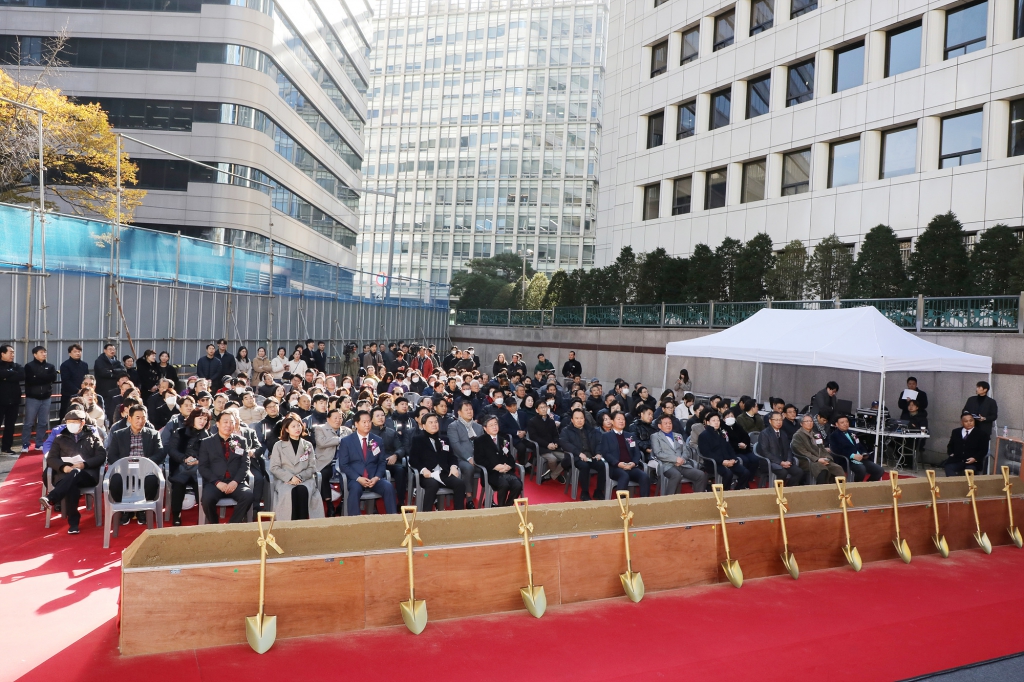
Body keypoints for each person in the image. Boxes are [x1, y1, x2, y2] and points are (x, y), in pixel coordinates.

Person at [39, 410, 106, 533]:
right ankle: (73, 525)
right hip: (64, 475)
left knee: (76, 473)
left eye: (74, 422)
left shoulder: (92, 436)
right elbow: (51, 458)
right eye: (69, 422)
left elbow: (101, 456)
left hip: (87, 475)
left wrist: (83, 464)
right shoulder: (60, 438)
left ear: (82, 423)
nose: (71, 425)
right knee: (72, 484)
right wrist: (63, 467)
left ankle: (51, 497)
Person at [106, 405, 166, 524]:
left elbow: (160, 453)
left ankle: (143, 510)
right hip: (124, 470)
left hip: (145, 469)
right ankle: (124, 509)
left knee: (152, 480)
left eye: (143, 418)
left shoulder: (153, 434)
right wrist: (124, 465)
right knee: (115, 481)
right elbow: (112, 455)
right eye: (137, 418)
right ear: (129, 418)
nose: (141, 421)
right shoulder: (118, 435)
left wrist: (145, 462)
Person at [336, 411, 397, 515]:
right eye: (364, 422)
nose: (367, 424)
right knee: (355, 489)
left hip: (373, 478)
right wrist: (358, 478)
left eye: (369, 421)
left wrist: (377, 477)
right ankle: (355, 522)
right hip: (355, 478)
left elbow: (381, 462)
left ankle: (393, 519)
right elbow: (344, 465)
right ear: (356, 423)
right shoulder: (347, 441)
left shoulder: (376, 440)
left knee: (388, 486)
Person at [197, 411, 254, 523]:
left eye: (231, 422)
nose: (228, 425)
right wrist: (217, 482)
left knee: (248, 496)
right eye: (225, 422)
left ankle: (231, 526)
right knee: (207, 500)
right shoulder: (207, 442)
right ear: (217, 424)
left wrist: (235, 482)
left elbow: (245, 464)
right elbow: (203, 467)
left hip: (235, 482)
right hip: (215, 482)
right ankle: (215, 526)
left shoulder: (240, 441)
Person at [269, 413, 325, 520]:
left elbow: (312, 467)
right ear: (286, 429)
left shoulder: (307, 445)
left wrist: (299, 477)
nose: (297, 428)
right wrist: (290, 478)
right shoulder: (278, 445)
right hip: (285, 480)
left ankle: (302, 525)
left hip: (304, 479)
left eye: (298, 425)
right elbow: (274, 467)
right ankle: (290, 526)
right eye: (293, 426)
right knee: (291, 492)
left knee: (303, 490)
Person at [408, 412, 465, 511]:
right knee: (432, 485)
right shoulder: (418, 440)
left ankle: (458, 514)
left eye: (436, 422)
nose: (434, 424)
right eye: (431, 422)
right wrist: (423, 470)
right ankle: (427, 514)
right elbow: (413, 459)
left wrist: (453, 466)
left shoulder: (444, 439)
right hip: (428, 474)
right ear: (424, 426)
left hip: (443, 473)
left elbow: (452, 456)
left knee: (460, 484)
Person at [166, 408, 211, 525]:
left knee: (200, 483)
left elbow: (211, 455)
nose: (202, 421)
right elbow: (171, 450)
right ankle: (176, 515)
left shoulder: (207, 435)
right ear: (193, 418)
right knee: (179, 484)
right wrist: (184, 459)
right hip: (181, 466)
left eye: (205, 419)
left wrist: (199, 461)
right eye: (200, 418)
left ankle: (202, 515)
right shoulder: (180, 432)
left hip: (199, 468)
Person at [651, 413, 708, 493]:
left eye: (670, 423)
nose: (668, 425)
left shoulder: (678, 436)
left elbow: (686, 450)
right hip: (667, 465)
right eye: (666, 423)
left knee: (701, 475)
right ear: (660, 426)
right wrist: (675, 459)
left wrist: (682, 460)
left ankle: (696, 499)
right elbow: (658, 453)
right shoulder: (655, 436)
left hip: (682, 464)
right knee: (676, 475)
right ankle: (669, 500)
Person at [474, 415, 523, 506]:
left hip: (506, 472)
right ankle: (500, 508)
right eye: (491, 425)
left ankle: (506, 507)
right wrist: (495, 467)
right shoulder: (480, 441)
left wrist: (508, 466)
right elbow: (479, 459)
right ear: (485, 428)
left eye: (496, 424)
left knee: (517, 485)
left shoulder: (503, 440)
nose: (494, 427)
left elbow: (510, 457)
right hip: (491, 473)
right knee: (504, 484)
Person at [599, 412, 651, 497]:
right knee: (624, 476)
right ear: (612, 421)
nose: (621, 421)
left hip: (631, 466)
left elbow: (637, 452)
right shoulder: (606, 436)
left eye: (623, 419)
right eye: (618, 419)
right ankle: (621, 504)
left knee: (644, 476)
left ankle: (644, 504)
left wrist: (633, 463)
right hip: (615, 467)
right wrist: (618, 464)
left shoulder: (630, 436)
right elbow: (606, 453)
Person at [697, 412, 752, 490]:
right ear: (707, 422)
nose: (716, 422)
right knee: (728, 474)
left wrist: (733, 458)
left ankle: (737, 490)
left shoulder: (721, 433)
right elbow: (707, 453)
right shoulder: (703, 435)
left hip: (728, 461)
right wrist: (722, 461)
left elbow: (729, 448)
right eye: (713, 420)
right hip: (714, 463)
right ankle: (724, 493)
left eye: (718, 420)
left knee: (745, 472)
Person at [447, 400, 483, 504]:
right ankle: (469, 497)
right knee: (468, 467)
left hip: (476, 457)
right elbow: (456, 445)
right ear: (459, 412)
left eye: (470, 409)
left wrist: (478, 458)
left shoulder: (478, 427)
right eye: (466, 410)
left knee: (491, 466)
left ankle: (490, 497)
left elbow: (481, 444)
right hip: (460, 458)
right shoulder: (453, 426)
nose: (469, 412)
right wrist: (469, 458)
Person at [791, 414, 845, 484]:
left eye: (811, 421)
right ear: (801, 424)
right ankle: (821, 491)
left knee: (837, 468)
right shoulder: (797, 436)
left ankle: (838, 491)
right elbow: (802, 451)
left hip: (821, 459)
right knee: (822, 469)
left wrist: (827, 458)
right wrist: (817, 459)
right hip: (807, 461)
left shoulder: (815, 434)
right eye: (807, 421)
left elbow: (822, 448)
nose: (809, 423)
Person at [370, 406, 407, 507]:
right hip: (374, 463)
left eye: (382, 415)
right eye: (377, 416)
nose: (381, 417)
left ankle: (401, 501)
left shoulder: (391, 432)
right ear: (371, 418)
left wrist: (395, 455)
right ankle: (374, 506)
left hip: (390, 461)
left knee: (400, 470)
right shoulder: (368, 433)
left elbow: (401, 448)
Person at [23, 346, 58, 452]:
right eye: (41, 352)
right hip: (32, 398)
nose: (44, 354)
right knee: (29, 422)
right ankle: (25, 443)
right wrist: (44, 377)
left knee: (43, 422)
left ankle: (39, 443)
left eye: (45, 352)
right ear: (35, 354)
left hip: (46, 397)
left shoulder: (50, 366)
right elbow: (30, 380)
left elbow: (52, 378)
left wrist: (38, 377)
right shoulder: (29, 366)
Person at [829, 415, 883, 482]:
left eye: (847, 422)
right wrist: (852, 456)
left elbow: (860, 445)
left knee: (879, 470)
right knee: (861, 469)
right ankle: (856, 487)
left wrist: (864, 453)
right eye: (842, 422)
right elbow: (837, 450)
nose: (845, 424)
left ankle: (867, 485)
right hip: (847, 460)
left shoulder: (852, 433)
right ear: (836, 424)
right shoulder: (834, 435)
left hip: (860, 458)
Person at [758, 412, 804, 486]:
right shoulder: (764, 433)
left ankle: (788, 489)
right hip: (770, 462)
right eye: (776, 420)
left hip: (784, 461)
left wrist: (789, 460)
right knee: (783, 472)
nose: (779, 422)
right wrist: (780, 462)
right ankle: (778, 492)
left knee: (799, 472)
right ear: (770, 421)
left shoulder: (783, 433)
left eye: (780, 420)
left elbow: (788, 449)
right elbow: (765, 452)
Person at [527, 400, 566, 483]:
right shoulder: (532, 421)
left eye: (545, 407)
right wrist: (547, 444)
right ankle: (557, 475)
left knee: (567, 458)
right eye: (541, 408)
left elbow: (556, 435)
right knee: (553, 459)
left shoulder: (551, 421)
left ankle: (552, 475)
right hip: (541, 447)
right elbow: (534, 437)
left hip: (553, 447)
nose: (544, 409)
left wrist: (556, 443)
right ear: (537, 410)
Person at [943, 412, 988, 477]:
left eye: (971, 421)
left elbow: (983, 450)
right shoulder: (956, 432)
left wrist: (975, 458)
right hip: (957, 460)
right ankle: (954, 485)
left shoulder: (981, 434)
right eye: (966, 421)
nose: (969, 423)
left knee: (969, 471)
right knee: (948, 467)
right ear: (962, 422)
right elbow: (950, 446)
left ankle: (967, 486)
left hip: (972, 462)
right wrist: (951, 453)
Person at [59, 344, 89, 418]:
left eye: (79, 351)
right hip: (68, 394)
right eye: (75, 351)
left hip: (83, 393)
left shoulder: (84, 365)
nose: (78, 353)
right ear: (69, 353)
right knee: (66, 413)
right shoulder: (65, 365)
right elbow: (66, 380)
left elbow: (87, 378)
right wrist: (77, 390)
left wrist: (84, 389)